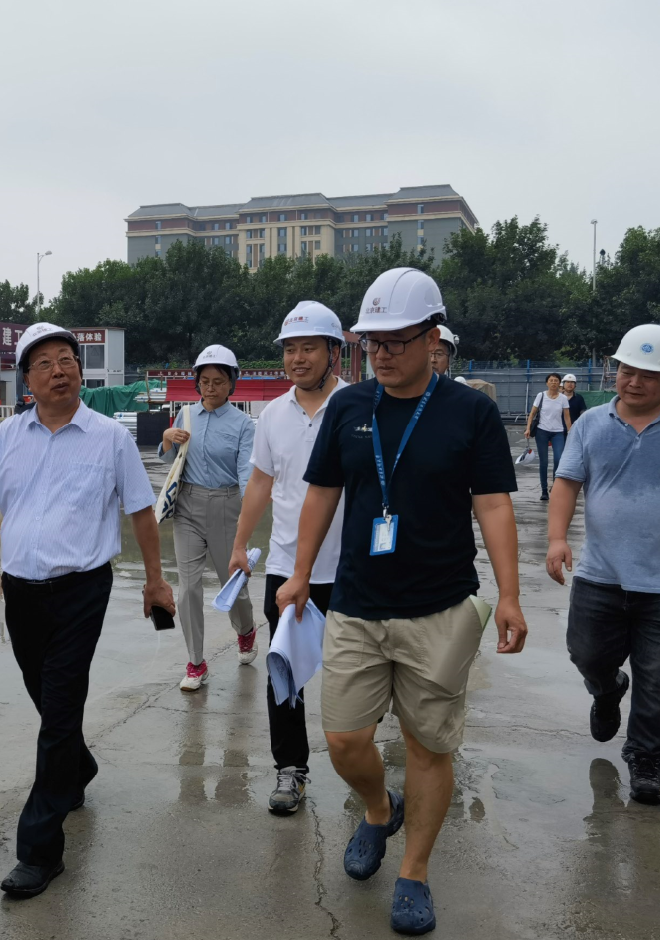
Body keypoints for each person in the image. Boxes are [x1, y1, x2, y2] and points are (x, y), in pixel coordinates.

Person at [277, 268, 527, 936]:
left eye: (395, 340)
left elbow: (493, 504)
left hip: (440, 608)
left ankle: (413, 872)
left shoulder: (469, 411)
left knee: (427, 746)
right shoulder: (349, 408)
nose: (380, 354)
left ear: (432, 336)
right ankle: (378, 810)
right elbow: (322, 493)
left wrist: (509, 595)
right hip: (357, 603)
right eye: (371, 342)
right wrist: (299, 573)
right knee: (343, 739)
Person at [0, 322, 176, 899]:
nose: (59, 370)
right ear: (27, 380)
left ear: (80, 370)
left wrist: (155, 582)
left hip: (82, 591)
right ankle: (79, 767)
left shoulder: (110, 438)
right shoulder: (7, 436)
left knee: (57, 713)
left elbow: (141, 512)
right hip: (21, 592)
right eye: (45, 363)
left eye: (67, 359)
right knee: (46, 698)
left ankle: (39, 850)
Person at [546, 324, 660, 806]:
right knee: (586, 654)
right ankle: (607, 691)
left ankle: (645, 757)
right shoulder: (591, 424)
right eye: (627, 370)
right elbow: (566, 483)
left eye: (648, 374)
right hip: (600, 574)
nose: (634, 382)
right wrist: (557, 539)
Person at [227, 300, 348, 816]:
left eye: (309, 348)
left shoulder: (357, 405)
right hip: (284, 566)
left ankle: (361, 764)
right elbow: (260, 482)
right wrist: (239, 545)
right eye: (290, 349)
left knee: (356, 674)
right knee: (285, 675)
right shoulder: (273, 414)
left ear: (333, 352)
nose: (297, 358)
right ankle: (290, 769)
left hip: (349, 567)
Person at [158, 344, 256, 691]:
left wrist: (247, 513)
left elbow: (246, 474)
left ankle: (245, 630)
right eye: (205, 381)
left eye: (218, 381)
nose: (210, 388)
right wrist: (166, 438)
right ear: (196, 382)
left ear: (232, 384)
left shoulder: (243, 425)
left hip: (227, 507)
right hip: (187, 507)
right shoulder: (185, 415)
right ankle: (196, 662)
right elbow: (169, 458)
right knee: (188, 588)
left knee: (233, 583)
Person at [523, 372, 571, 501]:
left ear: (559, 383)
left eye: (556, 380)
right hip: (542, 431)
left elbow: (567, 417)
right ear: (547, 383)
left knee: (558, 459)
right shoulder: (541, 396)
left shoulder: (563, 398)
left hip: (558, 432)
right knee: (543, 462)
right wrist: (528, 428)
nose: (553, 382)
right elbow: (532, 413)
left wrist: (570, 431)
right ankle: (544, 490)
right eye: (551, 380)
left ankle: (555, 486)